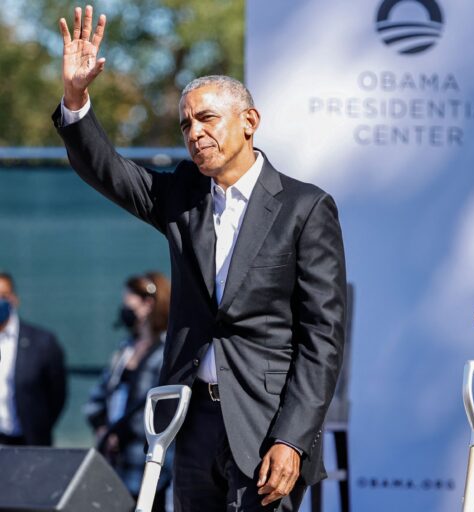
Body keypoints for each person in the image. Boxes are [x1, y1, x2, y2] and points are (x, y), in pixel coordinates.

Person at [53, 6, 347, 511]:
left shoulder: (305, 208)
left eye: (207, 118)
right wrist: (77, 99)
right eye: (186, 123)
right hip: (190, 424)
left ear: (249, 121)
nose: (194, 133)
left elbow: (322, 337)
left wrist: (292, 438)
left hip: (265, 429)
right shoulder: (184, 196)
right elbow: (110, 171)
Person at [84, 272, 172, 510]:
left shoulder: (167, 352)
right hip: (116, 464)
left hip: (148, 464)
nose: (124, 309)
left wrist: (122, 433)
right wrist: (103, 427)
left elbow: (163, 410)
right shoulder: (125, 349)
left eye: (128, 303)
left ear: (148, 304)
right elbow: (100, 395)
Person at [0, 272, 67, 446]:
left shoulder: (42, 342)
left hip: (29, 442)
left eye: (3, 296)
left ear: (14, 299)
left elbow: (57, 394)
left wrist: (39, 425)